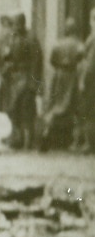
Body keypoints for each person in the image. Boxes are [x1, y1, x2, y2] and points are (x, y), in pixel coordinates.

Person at [0, 12, 43, 150]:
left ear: (23, 23)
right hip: (13, 78)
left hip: (26, 77)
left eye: (17, 24)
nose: (15, 27)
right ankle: (16, 136)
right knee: (11, 108)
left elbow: (37, 62)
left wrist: (34, 83)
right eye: (14, 24)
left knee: (26, 111)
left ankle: (27, 141)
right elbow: (7, 55)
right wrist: (6, 64)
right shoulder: (13, 36)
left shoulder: (31, 38)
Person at [38, 18, 85, 151]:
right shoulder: (79, 44)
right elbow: (82, 59)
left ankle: (46, 132)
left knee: (56, 106)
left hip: (59, 76)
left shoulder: (58, 44)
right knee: (75, 108)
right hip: (72, 76)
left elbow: (52, 60)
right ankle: (75, 141)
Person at [75, 9, 95, 153]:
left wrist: (83, 81)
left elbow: (90, 65)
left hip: (91, 82)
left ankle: (90, 143)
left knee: (89, 112)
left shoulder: (93, 38)